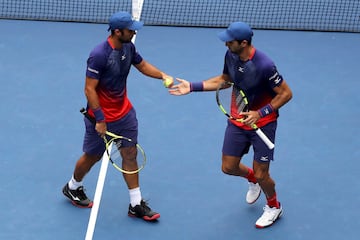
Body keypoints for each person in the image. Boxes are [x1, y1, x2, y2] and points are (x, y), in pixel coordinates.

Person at [169, 22, 292, 228]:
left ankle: (274, 206)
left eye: (230, 40)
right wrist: (192, 86)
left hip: (263, 123)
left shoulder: (264, 65)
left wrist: (260, 113)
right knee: (228, 167)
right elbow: (224, 80)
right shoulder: (231, 55)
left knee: (264, 173)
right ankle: (252, 179)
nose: (226, 43)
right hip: (238, 119)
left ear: (243, 43)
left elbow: (286, 93)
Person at [62, 11, 174, 221]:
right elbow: (89, 90)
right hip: (100, 117)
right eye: (130, 29)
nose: (134, 32)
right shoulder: (99, 55)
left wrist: (162, 75)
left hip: (124, 114)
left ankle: (136, 204)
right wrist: (101, 119)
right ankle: (72, 187)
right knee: (92, 156)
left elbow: (141, 65)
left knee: (130, 154)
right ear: (117, 31)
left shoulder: (129, 46)